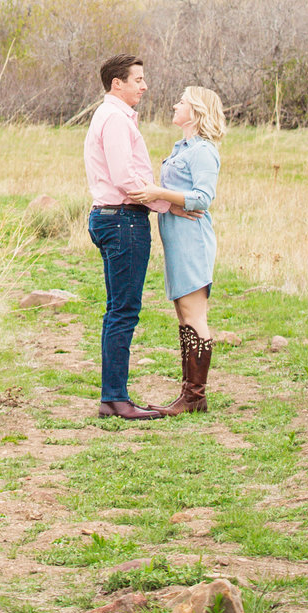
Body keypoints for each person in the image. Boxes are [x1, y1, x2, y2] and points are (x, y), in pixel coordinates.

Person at [82, 53, 170, 420]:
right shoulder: (115, 119)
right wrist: (169, 204)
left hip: (111, 218)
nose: (144, 86)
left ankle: (113, 396)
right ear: (117, 83)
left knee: (117, 309)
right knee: (123, 310)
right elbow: (124, 177)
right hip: (122, 220)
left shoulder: (111, 116)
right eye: (138, 80)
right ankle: (115, 399)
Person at [130, 86, 223, 414]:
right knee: (184, 314)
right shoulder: (181, 147)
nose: (175, 104)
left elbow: (202, 198)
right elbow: (176, 197)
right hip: (177, 239)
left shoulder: (203, 151)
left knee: (195, 315)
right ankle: (189, 395)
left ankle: (195, 396)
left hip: (193, 240)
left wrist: (160, 192)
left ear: (195, 112)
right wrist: (166, 200)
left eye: (181, 102)